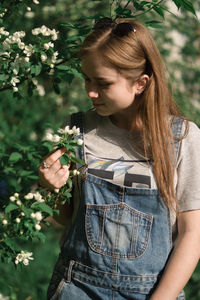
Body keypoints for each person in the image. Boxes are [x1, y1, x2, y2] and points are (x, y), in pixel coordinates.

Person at [38, 18, 200, 300]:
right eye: (87, 78)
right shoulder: (77, 131)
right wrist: (50, 189)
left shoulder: (182, 139)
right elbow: (63, 219)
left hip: (154, 292)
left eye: (103, 83)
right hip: (77, 288)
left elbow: (192, 236)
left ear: (140, 83)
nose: (90, 91)